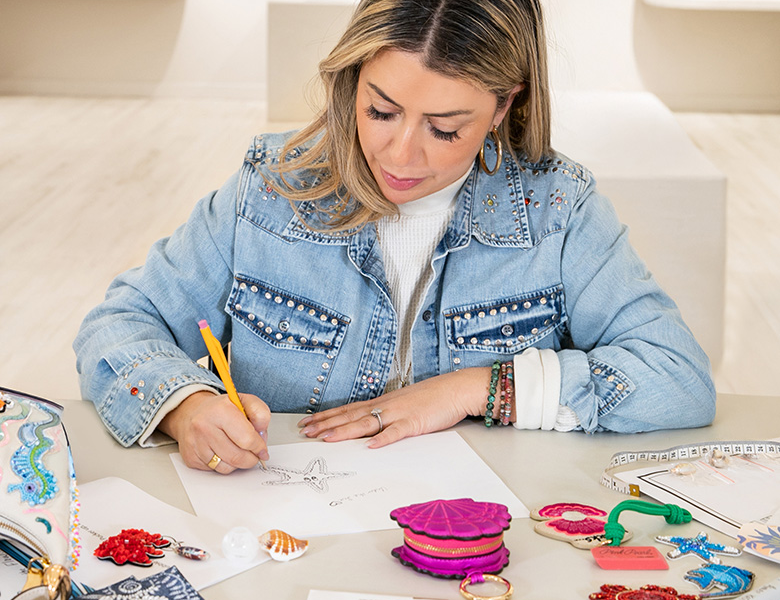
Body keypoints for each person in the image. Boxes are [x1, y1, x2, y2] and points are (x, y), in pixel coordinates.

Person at [74, 0, 716, 475]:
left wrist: (476, 389)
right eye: (380, 111)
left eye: (445, 128)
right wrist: (184, 404)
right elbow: (122, 322)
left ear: (504, 107)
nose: (400, 154)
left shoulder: (556, 208)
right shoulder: (271, 189)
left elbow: (678, 378)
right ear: (352, 79)